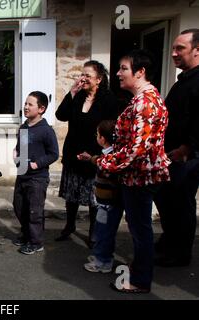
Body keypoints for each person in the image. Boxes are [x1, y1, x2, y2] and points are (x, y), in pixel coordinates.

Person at [99, 50, 170, 293]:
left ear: (140, 72)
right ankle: (140, 268)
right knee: (139, 227)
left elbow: (136, 150)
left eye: (123, 68)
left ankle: (140, 280)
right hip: (138, 175)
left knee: (140, 229)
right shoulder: (144, 99)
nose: (118, 73)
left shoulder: (145, 103)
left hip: (140, 176)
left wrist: (104, 163)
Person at [55, 61, 120, 246]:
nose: (83, 79)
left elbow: (110, 130)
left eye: (87, 76)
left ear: (99, 79)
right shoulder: (77, 96)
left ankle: (93, 231)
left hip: (94, 155)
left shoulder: (108, 99)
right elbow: (61, 115)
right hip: (73, 153)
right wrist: (72, 92)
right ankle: (69, 226)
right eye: (81, 75)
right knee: (71, 195)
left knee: (93, 198)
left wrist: (94, 153)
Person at [153, 29, 199, 267]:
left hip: (186, 158)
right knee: (167, 200)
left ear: (197, 50)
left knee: (181, 205)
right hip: (170, 155)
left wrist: (186, 149)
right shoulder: (184, 80)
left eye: (180, 48)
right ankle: (170, 241)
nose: (173, 53)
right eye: (173, 48)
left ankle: (180, 254)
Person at [12, 91, 59, 254]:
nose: (25, 107)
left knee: (34, 211)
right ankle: (26, 234)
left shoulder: (46, 130)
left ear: (41, 109)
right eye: (25, 103)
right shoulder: (24, 127)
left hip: (37, 178)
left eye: (30, 104)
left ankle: (36, 242)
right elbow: (21, 147)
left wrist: (36, 164)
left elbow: (53, 154)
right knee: (19, 207)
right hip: (22, 175)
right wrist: (16, 153)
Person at [78, 120, 123, 273]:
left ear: (102, 138)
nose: (96, 137)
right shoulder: (110, 154)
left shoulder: (111, 158)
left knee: (104, 233)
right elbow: (99, 160)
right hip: (106, 202)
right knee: (104, 230)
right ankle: (103, 257)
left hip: (108, 203)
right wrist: (90, 158)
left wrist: (92, 159)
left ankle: (102, 261)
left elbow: (103, 164)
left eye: (97, 134)